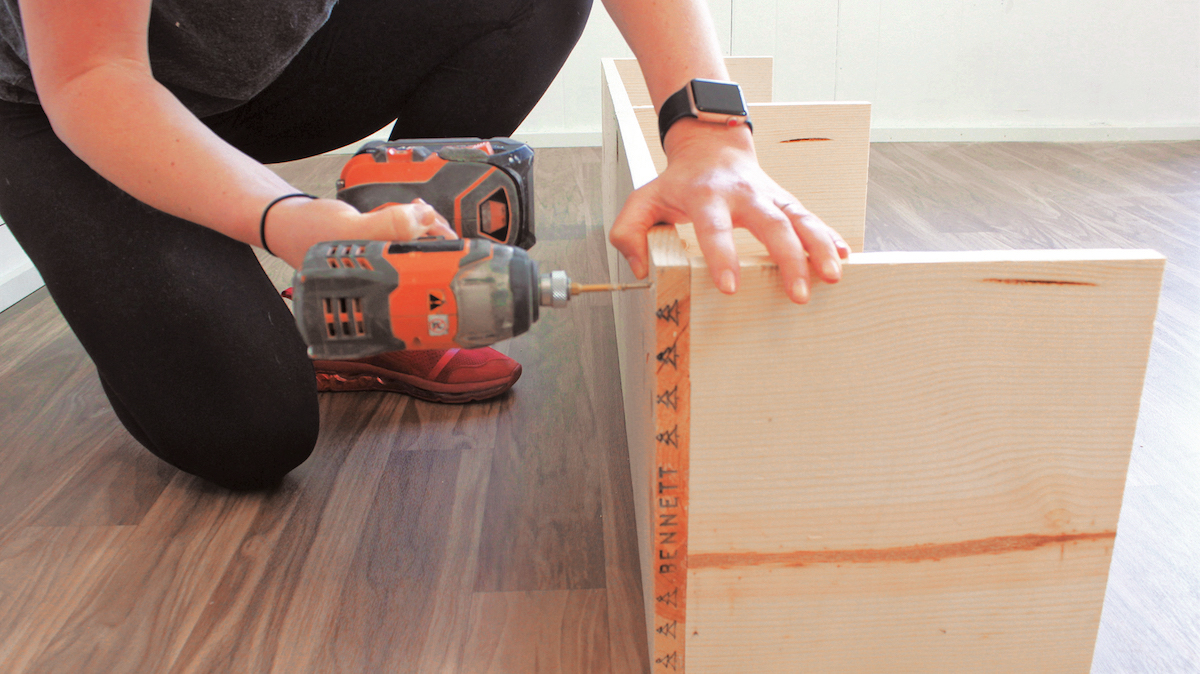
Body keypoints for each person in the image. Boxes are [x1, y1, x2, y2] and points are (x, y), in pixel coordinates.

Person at [0, 0, 849, 490]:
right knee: (250, 427)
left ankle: (376, 309)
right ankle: (306, 271)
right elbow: (91, 77)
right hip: (60, 97)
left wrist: (709, 131)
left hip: (264, 59)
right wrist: (291, 220)